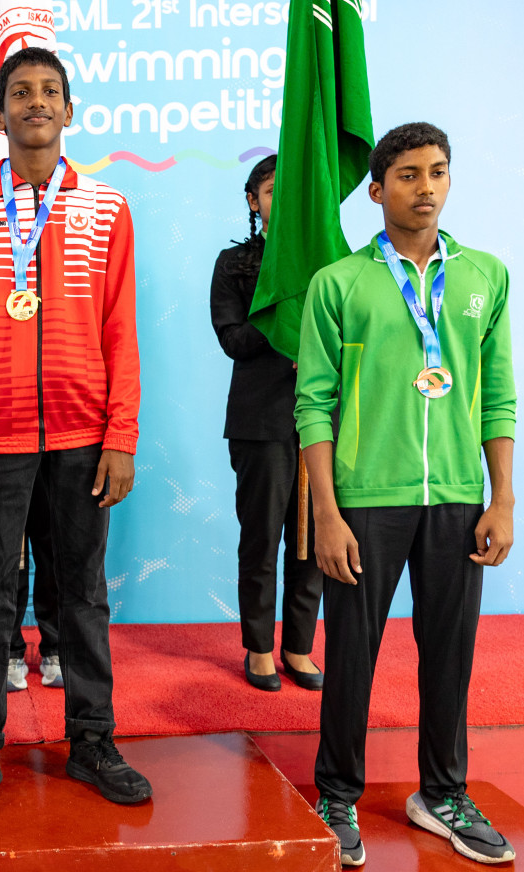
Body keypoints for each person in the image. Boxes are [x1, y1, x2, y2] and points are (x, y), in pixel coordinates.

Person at [0, 47, 150, 816]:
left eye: (48, 91)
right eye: (20, 93)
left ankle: (92, 740)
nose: (35, 102)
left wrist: (120, 436)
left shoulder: (107, 210)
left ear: (70, 109)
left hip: (85, 439)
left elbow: (122, 332)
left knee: (83, 595)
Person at [297, 122, 517, 868]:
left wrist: (503, 497)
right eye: (409, 175)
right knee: (352, 655)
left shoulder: (485, 276)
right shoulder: (341, 284)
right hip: (365, 499)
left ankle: (442, 793)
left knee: (449, 654)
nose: (426, 188)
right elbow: (313, 405)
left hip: (457, 497)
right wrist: (326, 511)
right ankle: (337, 793)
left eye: (438, 172)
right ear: (377, 188)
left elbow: (499, 398)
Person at [210, 154, 324, 692]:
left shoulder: (330, 266)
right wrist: (283, 320)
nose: (282, 200)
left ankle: (299, 647)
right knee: (262, 539)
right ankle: (258, 647)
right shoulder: (233, 265)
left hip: (324, 422)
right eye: (272, 190)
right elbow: (234, 341)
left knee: (315, 540)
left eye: (292, 191)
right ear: (255, 201)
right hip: (261, 422)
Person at [5, 509, 62, 692]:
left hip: (52, 482)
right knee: (12, 561)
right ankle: (10, 652)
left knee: (52, 561)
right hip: (9, 483)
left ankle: (55, 650)